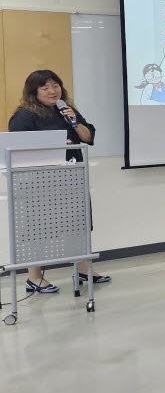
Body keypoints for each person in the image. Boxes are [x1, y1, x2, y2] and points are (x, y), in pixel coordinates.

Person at [9, 69, 105, 293]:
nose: (52, 91)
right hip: (39, 183)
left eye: (55, 86)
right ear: (34, 92)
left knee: (78, 226)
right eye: (45, 87)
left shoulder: (67, 111)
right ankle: (34, 277)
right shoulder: (25, 115)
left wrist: (74, 122)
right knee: (38, 229)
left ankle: (82, 269)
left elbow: (88, 137)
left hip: (72, 178)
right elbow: (19, 148)